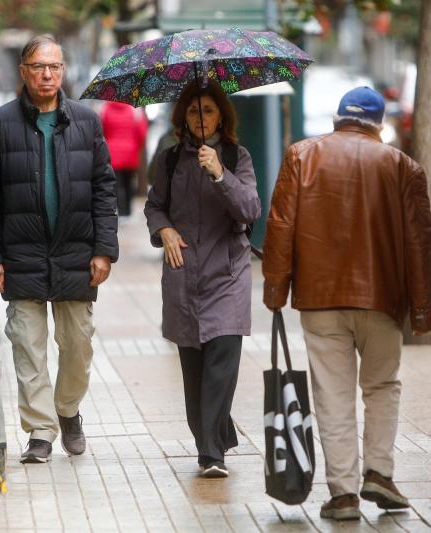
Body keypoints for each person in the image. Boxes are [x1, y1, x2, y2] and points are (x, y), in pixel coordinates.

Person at [262, 86, 431, 519]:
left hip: (320, 299)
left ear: (339, 118)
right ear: (379, 125)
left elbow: (280, 227)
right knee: (381, 386)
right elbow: (419, 243)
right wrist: (422, 310)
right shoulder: (402, 166)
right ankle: (379, 472)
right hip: (383, 299)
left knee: (332, 395)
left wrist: (275, 291)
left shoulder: (302, 156)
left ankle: (342, 495)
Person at [0, 34, 118, 464]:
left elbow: (103, 187)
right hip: (20, 251)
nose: (47, 74)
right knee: (27, 345)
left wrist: (104, 249)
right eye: (39, 66)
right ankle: (40, 431)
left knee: (77, 343)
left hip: (75, 251)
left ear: (63, 71)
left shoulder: (86, 122)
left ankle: (68, 410)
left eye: (54, 67)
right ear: (23, 71)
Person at [144, 81, 261, 478]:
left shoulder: (235, 156)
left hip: (228, 275)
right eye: (194, 111)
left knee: (221, 366)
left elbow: (248, 210)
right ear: (183, 117)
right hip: (183, 276)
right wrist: (164, 231)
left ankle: (212, 454)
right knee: (194, 373)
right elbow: (154, 206)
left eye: (208, 110)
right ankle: (213, 434)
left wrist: (219, 174)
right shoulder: (170, 160)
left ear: (221, 116)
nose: (200, 118)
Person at [100, 101, 148, 216]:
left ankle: (118, 211)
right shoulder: (134, 110)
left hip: (112, 153)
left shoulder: (105, 109)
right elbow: (142, 133)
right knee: (128, 183)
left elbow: (102, 130)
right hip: (130, 152)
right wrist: (137, 146)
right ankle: (127, 212)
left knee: (115, 184)